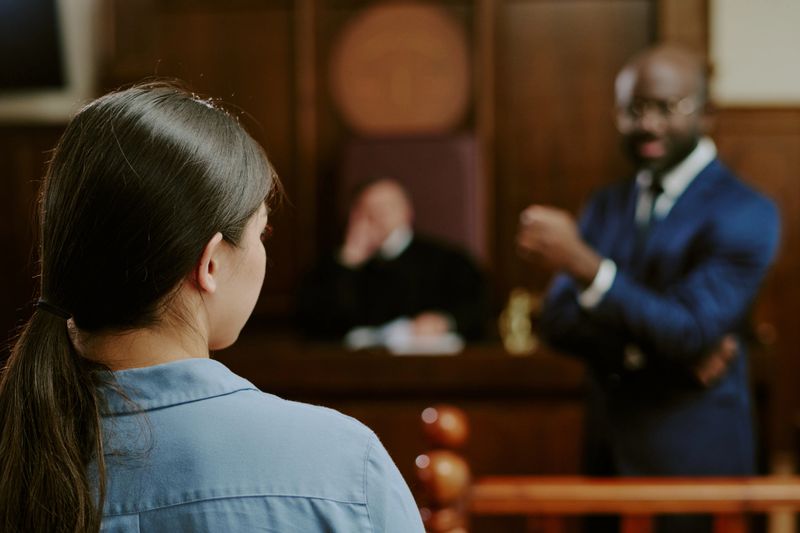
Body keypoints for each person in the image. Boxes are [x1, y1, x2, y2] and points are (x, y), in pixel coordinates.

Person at [0, 84, 425, 533]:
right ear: (211, 263)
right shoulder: (343, 469)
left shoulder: (19, 450)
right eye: (262, 232)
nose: (263, 251)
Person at [516, 45, 780, 532]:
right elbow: (557, 322)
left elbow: (691, 329)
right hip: (608, 453)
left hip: (694, 460)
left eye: (667, 108)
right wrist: (659, 352)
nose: (649, 124)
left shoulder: (746, 211)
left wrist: (587, 267)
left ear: (706, 112)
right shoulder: (606, 205)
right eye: (634, 110)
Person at [298, 177, 487, 348]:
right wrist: (348, 262)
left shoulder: (447, 260)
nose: (377, 217)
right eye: (367, 210)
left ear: (407, 212)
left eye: (386, 208)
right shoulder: (339, 266)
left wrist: (444, 321)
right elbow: (315, 323)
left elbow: (478, 307)